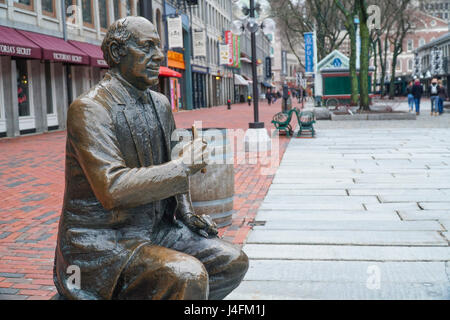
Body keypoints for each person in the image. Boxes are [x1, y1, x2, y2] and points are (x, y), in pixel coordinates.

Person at [53, 17, 248, 300]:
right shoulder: (90, 109)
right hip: (105, 240)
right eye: (147, 47)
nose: (159, 55)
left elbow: (172, 169)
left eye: (159, 46)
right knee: (187, 275)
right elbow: (112, 189)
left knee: (232, 261)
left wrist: (186, 213)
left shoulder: (160, 103)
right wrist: (183, 166)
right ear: (119, 53)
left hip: (157, 230)